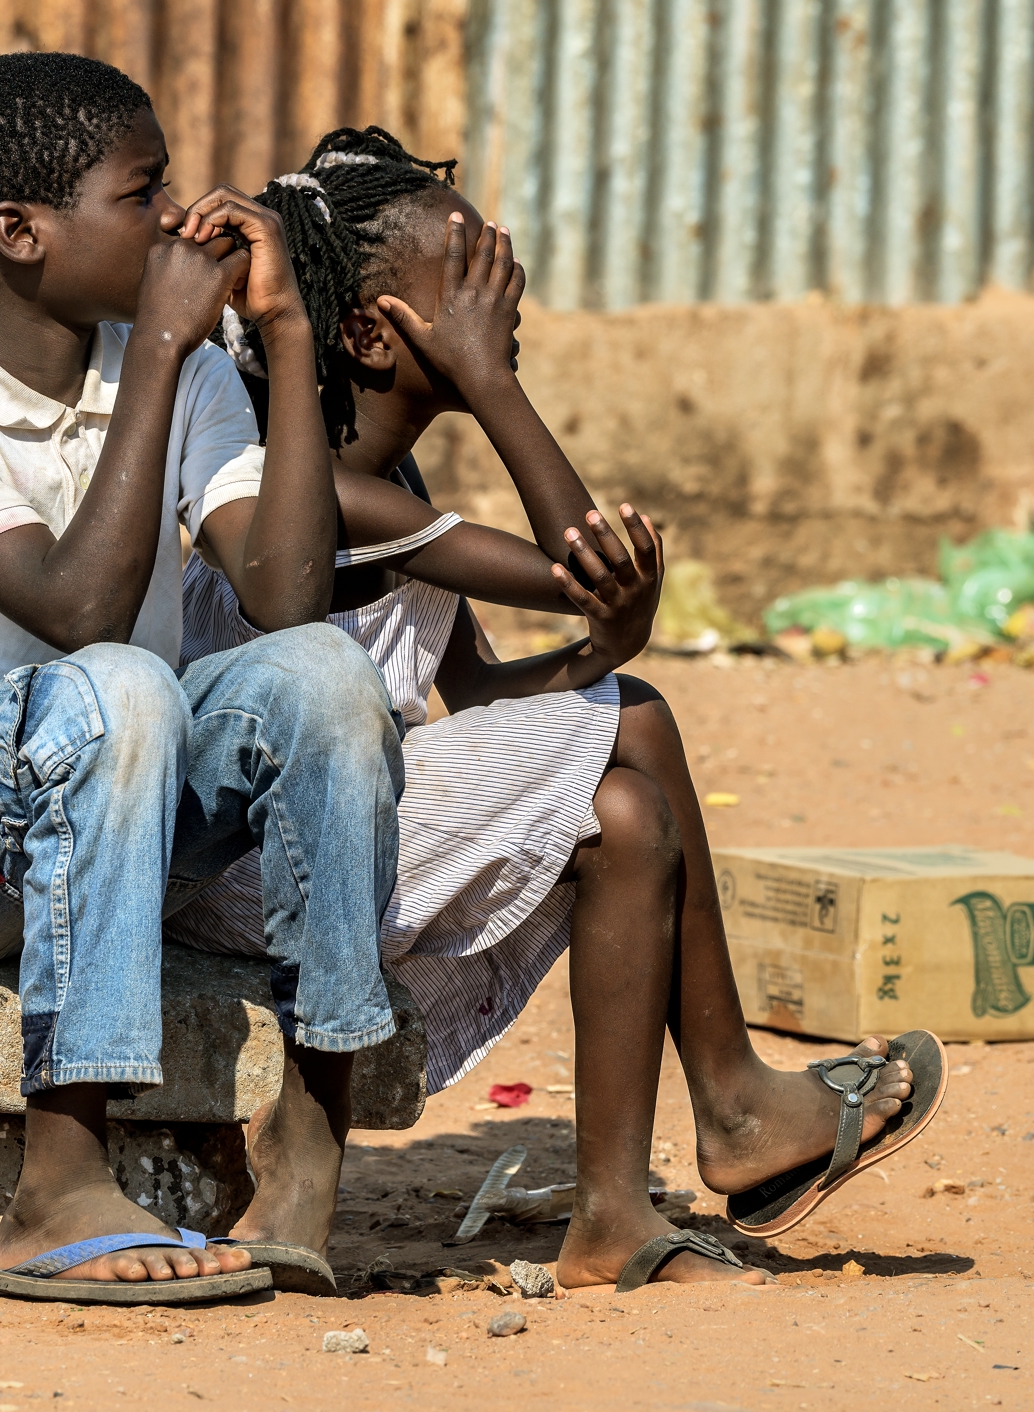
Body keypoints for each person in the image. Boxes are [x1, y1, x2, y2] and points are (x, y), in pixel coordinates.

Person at [172, 127, 949, 1293]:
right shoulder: (314, 491)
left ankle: (614, 1219)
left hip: (351, 831)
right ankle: (730, 1099)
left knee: (627, 805)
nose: (506, 289)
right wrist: (494, 384)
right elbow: (575, 559)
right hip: (260, 871)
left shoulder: (402, 483)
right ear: (372, 335)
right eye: (470, 275)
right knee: (630, 714)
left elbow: (479, 690)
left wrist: (599, 644)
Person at [0, 54, 403, 1302]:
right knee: (123, 678)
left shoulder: (176, 369)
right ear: (20, 234)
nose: (186, 220)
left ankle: (312, 1124)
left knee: (324, 672)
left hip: (113, 804)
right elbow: (79, 609)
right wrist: (171, 347)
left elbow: (281, 593)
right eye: (145, 194)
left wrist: (282, 339)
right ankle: (56, 1180)